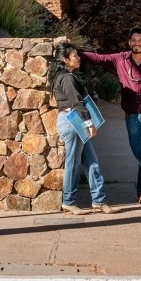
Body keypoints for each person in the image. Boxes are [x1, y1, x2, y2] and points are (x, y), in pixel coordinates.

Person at [80, 26, 141, 204]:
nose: (137, 43)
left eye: (140, 40)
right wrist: (74, 51)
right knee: (138, 151)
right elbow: (98, 58)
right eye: (134, 40)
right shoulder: (120, 59)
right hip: (131, 115)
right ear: (129, 42)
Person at [48, 42, 117, 215]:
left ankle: (99, 201)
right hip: (73, 121)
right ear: (65, 60)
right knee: (73, 162)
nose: (79, 58)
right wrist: (89, 123)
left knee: (91, 161)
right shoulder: (67, 78)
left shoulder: (64, 77)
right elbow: (76, 102)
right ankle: (69, 201)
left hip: (73, 121)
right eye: (75, 56)